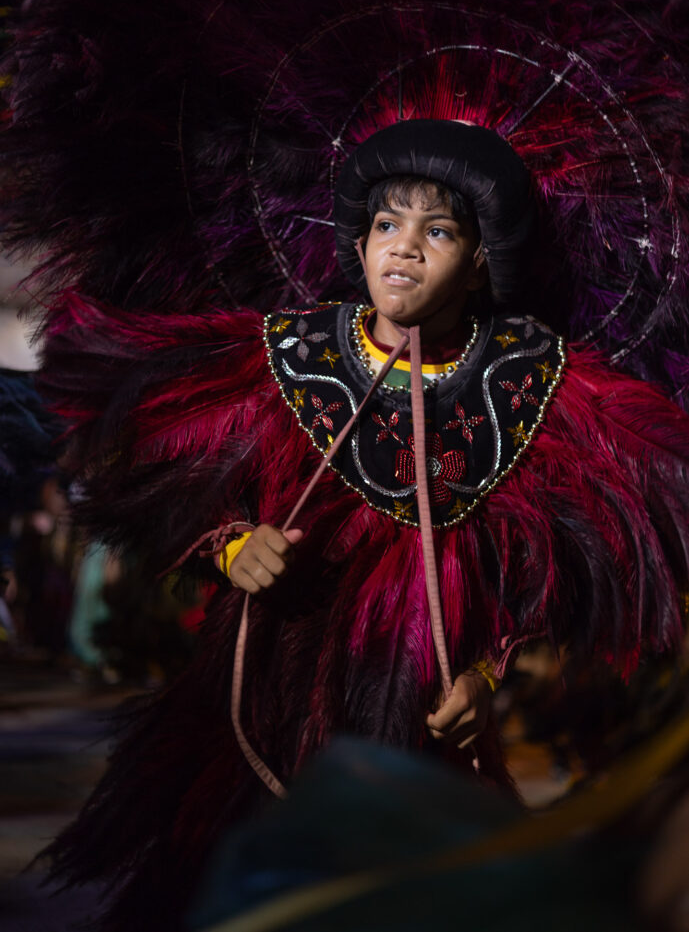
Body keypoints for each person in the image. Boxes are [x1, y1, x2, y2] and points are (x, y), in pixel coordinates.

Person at [45, 120, 689, 931]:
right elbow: (146, 456)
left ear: (481, 259)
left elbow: (548, 568)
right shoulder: (286, 355)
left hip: (424, 727)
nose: (404, 247)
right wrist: (230, 544)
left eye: (439, 230)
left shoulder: (531, 385)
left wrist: (490, 677)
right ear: (358, 243)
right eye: (387, 222)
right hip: (263, 707)